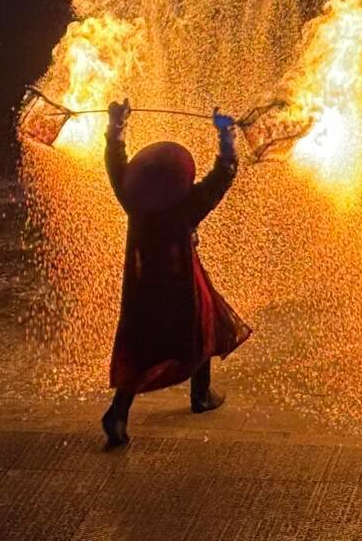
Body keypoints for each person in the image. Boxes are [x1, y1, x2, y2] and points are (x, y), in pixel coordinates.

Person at [100, 100, 251, 448]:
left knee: (142, 345)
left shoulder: (132, 199)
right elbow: (223, 175)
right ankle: (201, 397)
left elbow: (115, 161)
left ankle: (119, 412)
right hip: (181, 284)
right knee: (203, 326)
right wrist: (226, 136)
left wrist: (117, 125)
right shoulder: (185, 206)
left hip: (142, 288)